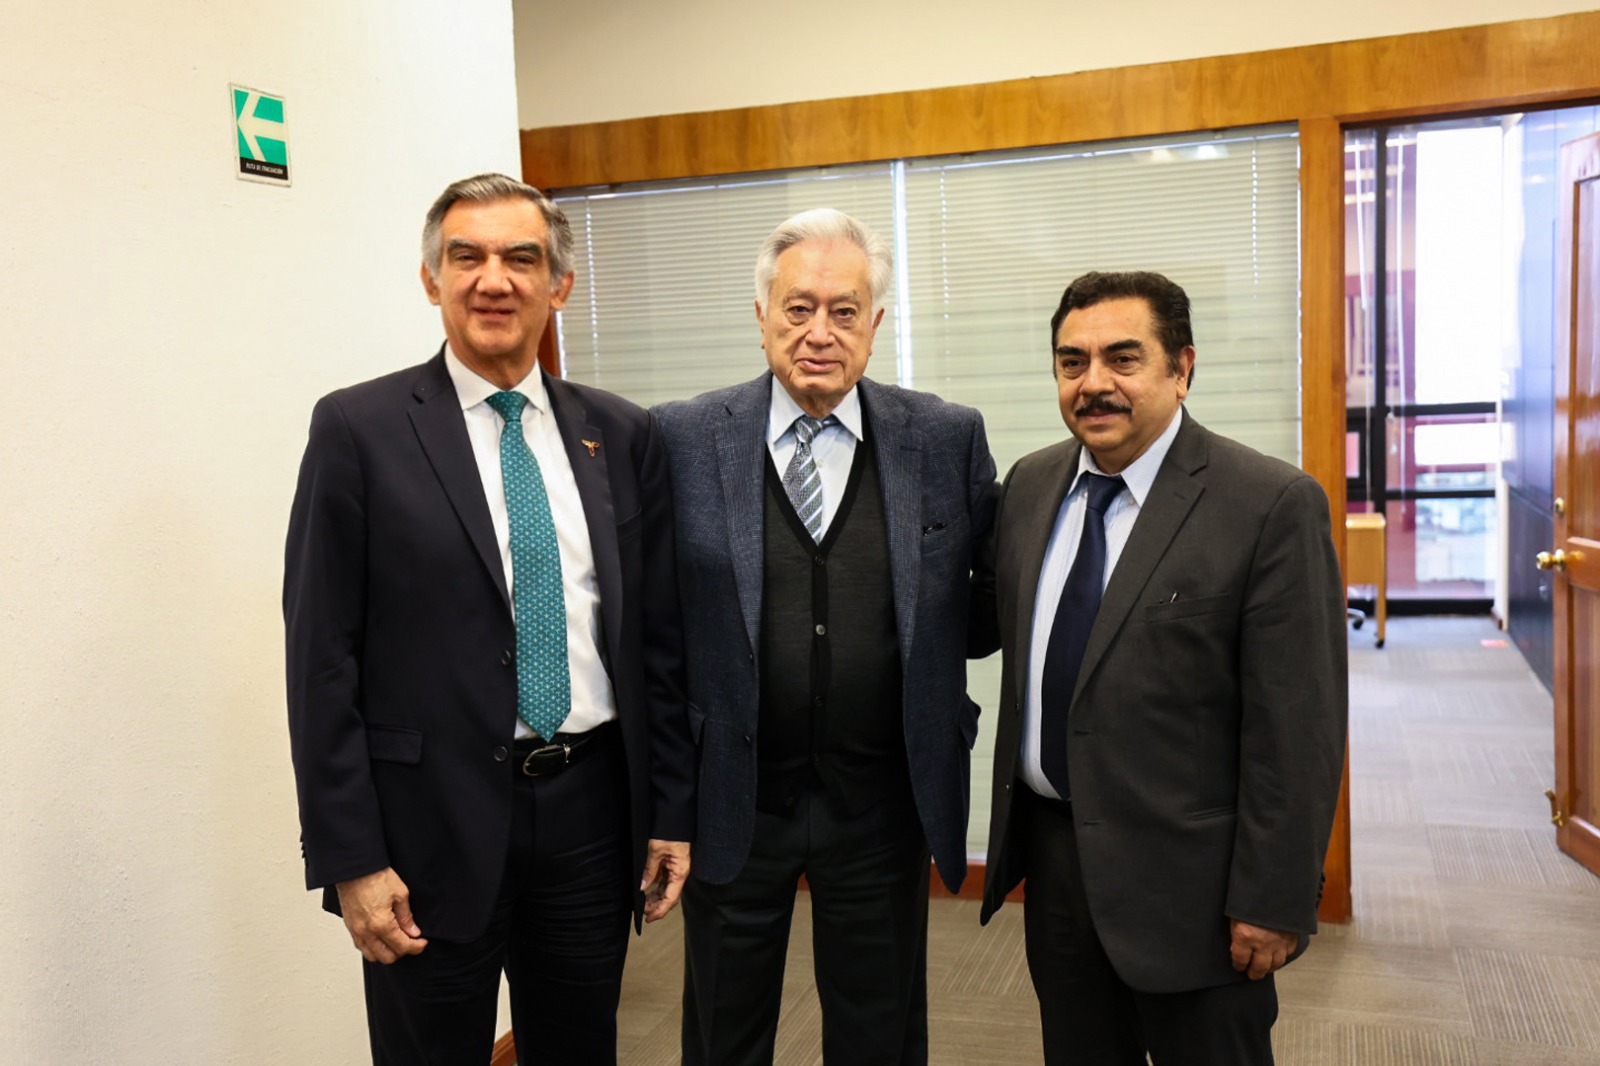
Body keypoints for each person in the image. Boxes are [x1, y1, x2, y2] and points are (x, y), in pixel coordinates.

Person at [283, 173, 695, 1065]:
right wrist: (351, 857)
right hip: (424, 829)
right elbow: (321, 658)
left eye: (521, 258)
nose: (493, 280)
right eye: (465, 257)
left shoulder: (621, 434)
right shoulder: (359, 429)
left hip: (590, 815)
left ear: (560, 285)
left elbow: (653, 642)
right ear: (431, 279)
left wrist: (669, 810)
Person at [653, 208, 998, 1066]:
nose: (819, 332)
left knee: (879, 1031)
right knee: (723, 1032)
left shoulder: (943, 437)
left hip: (881, 797)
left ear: (873, 324)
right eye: (798, 308)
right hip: (734, 795)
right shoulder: (681, 438)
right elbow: (652, 629)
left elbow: (987, 606)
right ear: (761, 316)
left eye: (844, 311)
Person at [977, 271, 1346, 1065]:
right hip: (1057, 868)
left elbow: (1299, 727)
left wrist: (1274, 898)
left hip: (1197, 892)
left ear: (1182, 368)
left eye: (1123, 358)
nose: (1093, 383)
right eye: (1072, 362)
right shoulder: (1031, 486)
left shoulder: (1267, 504)